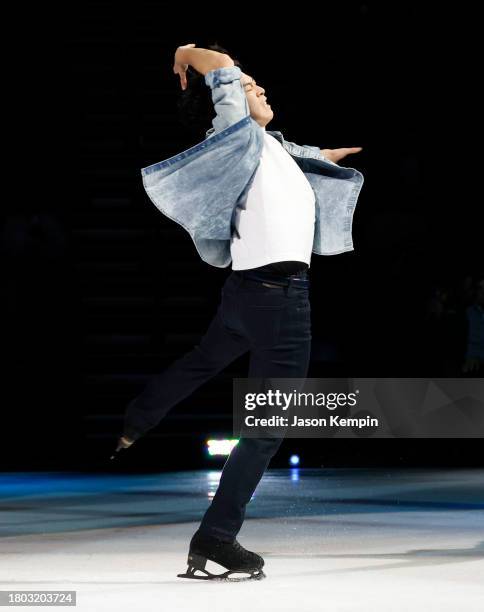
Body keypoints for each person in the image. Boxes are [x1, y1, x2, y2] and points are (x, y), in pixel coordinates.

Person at [111, 43, 364, 581]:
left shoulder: (265, 145)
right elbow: (220, 70)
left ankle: (137, 418)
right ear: (223, 102)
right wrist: (185, 53)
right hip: (279, 299)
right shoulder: (233, 135)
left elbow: (287, 150)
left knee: (206, 358)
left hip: (247, 296)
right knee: (269, 426)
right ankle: (217, 536)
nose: (259, 89)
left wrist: (324, 156)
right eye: (250, 87)